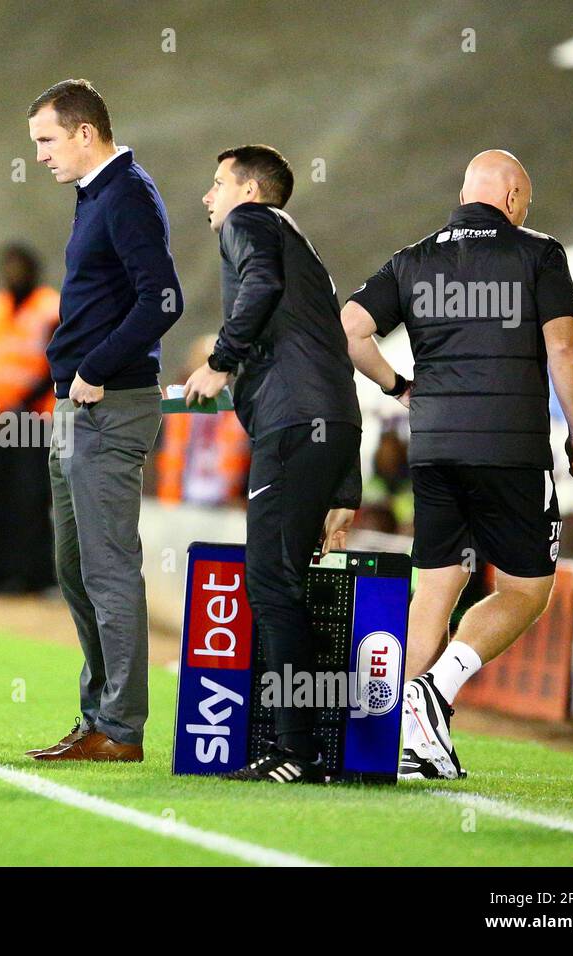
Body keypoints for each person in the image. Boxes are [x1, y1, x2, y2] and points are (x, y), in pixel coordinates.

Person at [342, 149, 573, 781]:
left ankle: (396, 742)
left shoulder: (414, 258)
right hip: (509, 447)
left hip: (434, 446)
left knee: (436, 587)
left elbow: (347, 328)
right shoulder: (538, 254)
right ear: (511, 198)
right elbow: (562, 343)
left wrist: (398, 387)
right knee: (525, 590)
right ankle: (435, 691)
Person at [182, 145, 362, 783]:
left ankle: (298, 751)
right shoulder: (305, 248)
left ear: (250, 191)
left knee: (272, 585)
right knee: (285, 584)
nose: (209, 197)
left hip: (291, 428)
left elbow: (259, 285)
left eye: (217, 182)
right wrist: (348, 481)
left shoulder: (248, 225)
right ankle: (307, 743)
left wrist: (221, 359)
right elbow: (333, 351)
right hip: (329, 426)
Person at [24, 79, 182, 762]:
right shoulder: (97, 195)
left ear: (85, 133)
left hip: (109, 403)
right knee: (74, 565)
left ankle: (119, 729)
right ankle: (99, 715)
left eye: (47, 141)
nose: (40, 156)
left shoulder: (126, 193)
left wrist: (95, 368)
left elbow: (164, 299)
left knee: (108, 568)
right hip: (79, 405)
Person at [0, 242, 59, 593]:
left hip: (36, 420)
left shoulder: (50, 308)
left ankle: (36, 576)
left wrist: (21, 402)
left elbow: (56, 362)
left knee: (32, 497)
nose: (13, 274)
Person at [155, 333, 249, 506]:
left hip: (225, 502)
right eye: (202, 361)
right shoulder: (171, 405)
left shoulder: (239, 411)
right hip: (176, 500)